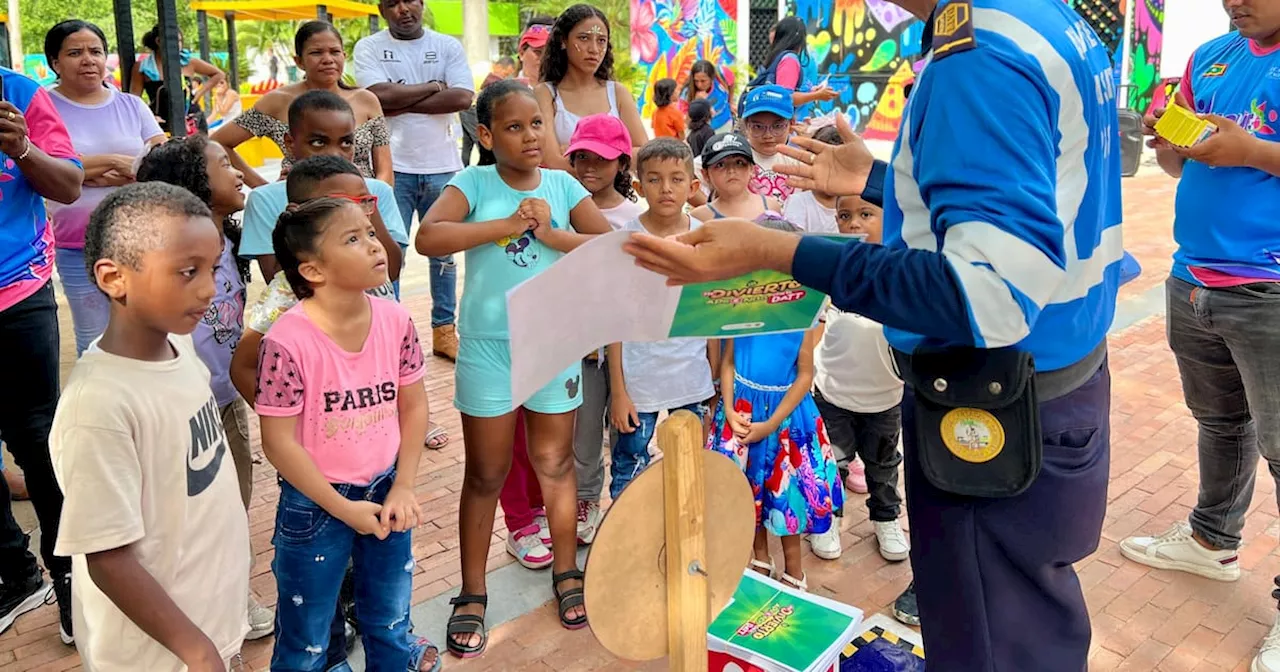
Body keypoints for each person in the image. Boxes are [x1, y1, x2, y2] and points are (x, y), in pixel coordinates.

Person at [623, 0, 1123, 667]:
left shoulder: (978, 53)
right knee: (1026, 631)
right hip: (1054, 386)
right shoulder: (1040, 19)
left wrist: (777, 251)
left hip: (996, 417)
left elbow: (987, 296)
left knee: (993, 644)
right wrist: (886, 183)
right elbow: (1029, 203)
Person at [416, 79, 611, 657]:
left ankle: (567, 571)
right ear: (486, 133)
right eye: (513, 126)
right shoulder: (472, 182)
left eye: (536, 124)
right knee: (486, 472)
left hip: (554, 341)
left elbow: (609, 246)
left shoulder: (563, 183)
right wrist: (510, 225)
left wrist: (552, 233)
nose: (529, 136)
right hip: (489, 347)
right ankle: (472, 591)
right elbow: (429, 237)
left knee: (555, 464)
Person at [1119, 3, 1280, 670]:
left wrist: (1250, 151)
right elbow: (1184, 170)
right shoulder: (1212, 55)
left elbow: (1243, 156)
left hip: (1270, 288)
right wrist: (1172, 147)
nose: (1234, 3)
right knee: (1220, 424)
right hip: (1193, 276)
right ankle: (1213, 540)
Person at [51, 182, 250, 671]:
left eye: (212, 267)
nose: (208, 287)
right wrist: (195, 649)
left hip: (206, 619)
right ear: (114, 277)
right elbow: (108, 558)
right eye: (187, 272)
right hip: (156, 652)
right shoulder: (98, 407)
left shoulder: (179, 347)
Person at [258, 197, 440, 671]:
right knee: (307, 641)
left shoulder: (395, 320)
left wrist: (403, 485)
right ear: (313, 271)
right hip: (314, 505)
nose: (375, 246)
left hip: (386, 492)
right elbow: (278, 442)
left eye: (371, 233)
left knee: (390, 624)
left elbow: (414, 404)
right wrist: (342, 508)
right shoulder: (287, 340)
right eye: (353, 239)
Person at [133, 136, 278, 642]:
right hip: (178, 407)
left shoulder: (233, 242)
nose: (237, 171)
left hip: (226, 397)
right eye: (223, 164)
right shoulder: (166, 254)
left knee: (233, 502)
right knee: (186, 510)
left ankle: (234, 592)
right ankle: (190, 600)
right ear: (193, 184)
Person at [707, 216, 837, 591]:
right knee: (746, 492)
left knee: (787, 495)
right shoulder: (740, 308)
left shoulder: (805, 314)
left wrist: (771, 423)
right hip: (741, 413)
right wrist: (729, 408)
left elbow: (804, 374)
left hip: (786, 418)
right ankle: (758, 559)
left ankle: (794, 571)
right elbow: (728, 361)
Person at [0, 64, 83, 642]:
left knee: (36, 437)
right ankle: (17, 574)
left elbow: (68, 186)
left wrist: (22, 147)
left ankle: (71, 580)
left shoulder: (17, 93)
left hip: (17, 289)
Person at [355, 0, 476, 362]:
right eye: (393, 3)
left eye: (410, 0)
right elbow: (374, 98)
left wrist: (398, 100)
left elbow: (462, 97)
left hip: (443, 166)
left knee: (444, 254)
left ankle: (443, 331)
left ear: (422, 4)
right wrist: (434, 87)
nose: (403, 9)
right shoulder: (370, 47)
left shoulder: (447, 46)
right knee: (390, 254)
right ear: (381, 9)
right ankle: (390, 334)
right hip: (392, 168)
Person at [45, 19, 165, 356]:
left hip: (139, 239)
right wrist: (117, 161)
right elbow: (48, 167)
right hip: (76, 243)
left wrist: (83, 171)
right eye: (75, 52)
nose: (88, 59)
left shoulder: (131, 105)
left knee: (146, 326)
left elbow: (160, 161)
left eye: (95, 51)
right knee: (94, 335)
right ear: (55, 62)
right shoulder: (44, 106)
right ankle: (98, 405)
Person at [609, 138, 715, 500]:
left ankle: (685, 545)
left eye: (676, 179)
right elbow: (615, 322)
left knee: (691, 470)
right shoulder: (625, 240)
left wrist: (714, 380)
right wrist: (619, 393)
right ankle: (627, 544)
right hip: (639, 382)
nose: (666, 188)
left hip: (692, 378)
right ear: (638, 186)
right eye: (654, 179)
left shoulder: (704, 237)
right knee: (629, 466)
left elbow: (711, 313)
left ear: (693, 185)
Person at [809, 192, 907, 566]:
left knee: (883, 467)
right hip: (833, 395)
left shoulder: (900, 269)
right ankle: (827, 520)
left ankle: (886, 520)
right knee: (831, 462)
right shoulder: (833, 270)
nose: (853, 223)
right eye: (844, 215)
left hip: (884, 398)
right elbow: (814, 327)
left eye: (866, 213)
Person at [214, 21, 392, 187]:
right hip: (301, 208)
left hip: (360, 204)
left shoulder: (366, 100)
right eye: (316, 53)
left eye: (334, 52)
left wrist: (374, 198)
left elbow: (385, 170)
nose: (328, 59)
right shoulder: (278, 102)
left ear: (344, 56)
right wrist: (265, 190)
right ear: (299, 61)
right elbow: (218, 142)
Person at [534, 4, 648, 170]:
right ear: (563, 41)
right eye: (583, 38)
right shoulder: (545, 94)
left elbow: (644, 154)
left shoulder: (617, 93)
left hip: (615, 194)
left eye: (601, 40)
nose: (594, 49)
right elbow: (553, 162)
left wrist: (579, 153)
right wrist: (617, 154)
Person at [691, 86, 801, 206]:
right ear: (746, 125)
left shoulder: (798, 161)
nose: (768, 135)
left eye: (777, 126)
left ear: (791, 124)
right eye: (758, 127)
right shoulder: (731, 155)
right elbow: (686, 175)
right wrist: (715, 211)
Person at [129, 24, 225, 135]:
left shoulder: (189, 62)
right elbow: (133, 100)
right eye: (174, 41)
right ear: (158, 41)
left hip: (192, 121)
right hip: (160, 123)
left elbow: (218, 74)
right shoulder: (143, 67)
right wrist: (148, 117)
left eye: (180, 41)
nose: (178, 45)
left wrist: (199, 94)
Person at [743, 17, 837, 115]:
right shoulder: (790, 60)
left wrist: (812, 91)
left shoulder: (779, 58)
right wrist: (817, 95)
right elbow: (786, 98)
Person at [691, 132, 782, 222]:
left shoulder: (771, 207)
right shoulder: (700, 217)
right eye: (720, 165)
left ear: (752, 169)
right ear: (706, 174)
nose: (731, 171)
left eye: (739, 163)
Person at [780, 126, 842, 234]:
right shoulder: (799, 202)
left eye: (838, 163)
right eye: (825, 164)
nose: (831, 170)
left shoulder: (854, 203)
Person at [680, 59, 733, 133]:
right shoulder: (686, 93)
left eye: (703, 81)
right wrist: (696, 103)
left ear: (712, 78)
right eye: (696, 81)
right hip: (700, 131)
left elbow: (731, 83)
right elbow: (687, 122)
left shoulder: (722, 74)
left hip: (723, 124)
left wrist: (730, 102)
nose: (699, 85)